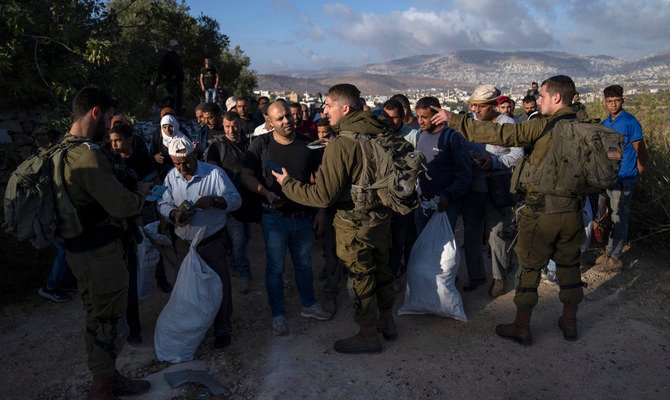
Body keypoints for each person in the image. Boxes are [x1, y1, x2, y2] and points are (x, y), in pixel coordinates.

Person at [432, 75, 590, 345]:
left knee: (528, 267)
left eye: (542, 95)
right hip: (573, 210)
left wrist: (455, 120)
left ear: (557, 98)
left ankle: (521, 326)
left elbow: (503, 134)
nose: (538, 100)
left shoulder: (541, 127)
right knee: (569, 267)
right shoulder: (587, 127)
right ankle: (570, 321)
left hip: (542, 210)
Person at [272, 84, 399, 354]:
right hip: (381, 217)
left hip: (355, 223)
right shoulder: (378, 130)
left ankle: (367, 335)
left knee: (361, 277)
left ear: (345, 108)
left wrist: (287, 184)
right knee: (382, 270)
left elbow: (323, 197)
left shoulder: (341, 144)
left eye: (329, 105)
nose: (324, 110)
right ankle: (387, 321)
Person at [61, 87, 151, 399]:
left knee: (96, 317)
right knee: (109, 323)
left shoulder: (63, 149)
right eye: (110, 117)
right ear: (96, 113)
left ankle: (109, 377)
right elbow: (122, 205)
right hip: (100, 254)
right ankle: (102, 388)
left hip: (79, 251)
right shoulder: (87, 155)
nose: (111, 124)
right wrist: (140, 193)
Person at [241, 101, 332, 336]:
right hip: (274, 219)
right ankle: (278, 315)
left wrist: (321, 211)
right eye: (280, 118)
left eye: (288, 116)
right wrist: (265, 193)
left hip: (303, 217)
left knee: (304, 264)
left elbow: (318, 178)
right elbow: (246, 175)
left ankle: (309, 305)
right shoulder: (260, 144)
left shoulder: (307, 144)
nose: (286, 121)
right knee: (275, 268)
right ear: (269, 122)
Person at [158, 136, 242, 349]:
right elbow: (162, 202)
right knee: (188, 290)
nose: (182, 166)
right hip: (184, 245)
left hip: (211, 242)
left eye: (186, 161)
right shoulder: (171, 177)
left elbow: (236, 200)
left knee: (219, 287)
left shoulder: (214, 174)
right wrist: (175, 213)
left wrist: (215, 201)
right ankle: (196, 328)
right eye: (176, 163)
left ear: (194, 154)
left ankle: (222, 329)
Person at [459, 85, 523, 296]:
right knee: (472, 233)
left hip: (498, 187)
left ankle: (498, 277)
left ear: (493, 106)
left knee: (496, 235)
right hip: (474, 187)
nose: (476, 111)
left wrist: (494, 163)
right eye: (473, 106)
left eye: (480, 107)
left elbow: (517, 155)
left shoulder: (507, 124)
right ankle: (476, 275)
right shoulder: (471, 123)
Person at [107, 124, 158, 345]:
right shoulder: (110, 162)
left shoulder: (141, 158)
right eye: (112, 141)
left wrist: (142, 193)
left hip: (141, 217)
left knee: (143, 265)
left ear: (129, 139)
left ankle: (134, 329)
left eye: (118, 140)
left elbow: (153, 181)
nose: (115, 145)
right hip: (118, 226)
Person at [595, 85, 648, 271]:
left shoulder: (630, 122)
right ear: (604, 102)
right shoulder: (604, 124)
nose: (613, 104)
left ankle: (616, 256)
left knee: (620, 216)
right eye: (609, 101)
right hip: (609, 177)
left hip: (626, 177)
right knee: (607, 216)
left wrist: (637, 173)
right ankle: (609, 251)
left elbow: (640, 149)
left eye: (616, 100)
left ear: (622, 100)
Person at [205, 111, 253, 293]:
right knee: (239, 239)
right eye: (227, 127)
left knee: (246, 237)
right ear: (223, 126)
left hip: (248, 200)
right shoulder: (217, 146)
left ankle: (234, 263)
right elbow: (212, 169)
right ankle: (244, 273)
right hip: (230, 201)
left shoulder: (247, 143)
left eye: (234, 126)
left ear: (240, 125)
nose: (231, 130)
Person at [414, 96, 473, 233]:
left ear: (437, 116)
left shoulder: (452, 137)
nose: (420, 121)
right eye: (418, 117)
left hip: (444, 206)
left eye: (424, 117)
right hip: (422, 204)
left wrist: (448, 195)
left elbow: (465, 174)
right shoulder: (420, 135)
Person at [381, 99, 419, 279]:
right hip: (386, 196)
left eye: (395, 118)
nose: (391, 122)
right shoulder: (381, 135)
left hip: (406, 196)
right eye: (387, 118)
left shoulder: (413, 135)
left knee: (403, 237)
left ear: (403, 116)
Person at [159, 39, 184, 115]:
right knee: (172, 97)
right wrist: (170, 75)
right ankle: (170, 113)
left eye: (176, 46)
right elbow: (162, 67)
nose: (176, 47)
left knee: (179, 98)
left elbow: (179, 67)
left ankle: (178, 114)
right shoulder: (167, 55)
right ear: (171, 46)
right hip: (171, 81)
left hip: (179, 80)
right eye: (174, 46)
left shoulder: (177, 55)